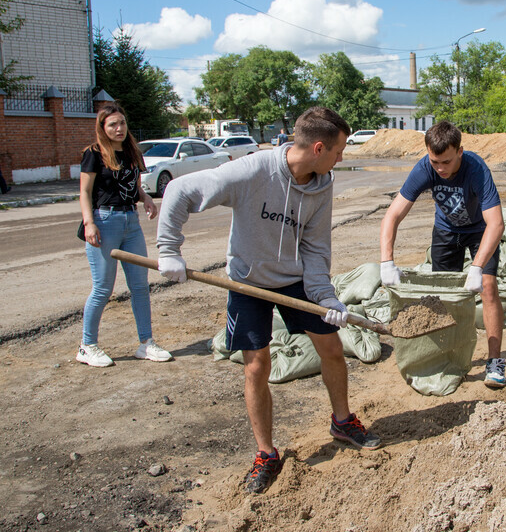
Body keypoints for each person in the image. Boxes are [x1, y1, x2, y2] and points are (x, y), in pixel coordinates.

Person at [155, 106, 380, 495]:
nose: (342, 158)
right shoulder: (252, 171)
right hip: (248, 281)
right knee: (256, 365)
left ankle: (342, 422)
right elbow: (179, 190)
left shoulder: (322, 183)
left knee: (330, 346)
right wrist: (169, 249)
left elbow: (314, 246)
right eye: (340, 150)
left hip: (294, 280)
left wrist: (326, 296)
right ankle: (266, 454)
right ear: (319, 147)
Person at [379, 121, 506, 388]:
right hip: (446, 231)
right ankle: (447, 358)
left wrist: (477, 267)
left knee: (488, 286)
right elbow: (393, 214)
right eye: (435, 161)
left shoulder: (476, 170)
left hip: (478, 230)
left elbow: (496, 224)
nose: (440, 168)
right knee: (442, 298)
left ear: (460, 151)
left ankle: (494, 362)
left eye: (446, 162)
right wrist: (386, 261)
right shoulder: (425, 168)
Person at [78, 104, 170, 367]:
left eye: (122, 123)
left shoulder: (131, 152)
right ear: (102, 128)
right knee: (103, 288)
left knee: (140, 286)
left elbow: (134, 186)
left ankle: (146, 343)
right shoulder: (93, 154)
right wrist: (89, 224)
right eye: (112, 125)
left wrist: (146, 199)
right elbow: (85, 192)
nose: (119, 129)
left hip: (131, 221)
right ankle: (87, 346)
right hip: (104, 222)